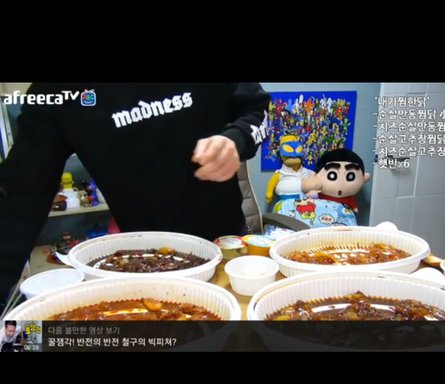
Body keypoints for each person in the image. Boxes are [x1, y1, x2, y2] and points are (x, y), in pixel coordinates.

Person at [0, 83, 270, 307]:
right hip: (142, 261)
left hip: (224, 251)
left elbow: (258, 111)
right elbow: (20, 195)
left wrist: (237, 140)